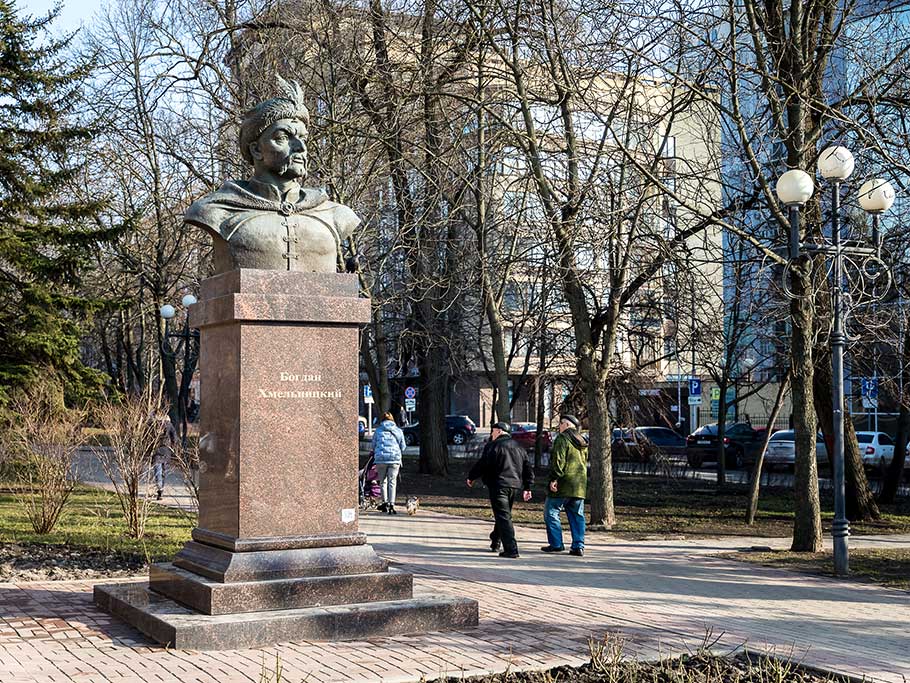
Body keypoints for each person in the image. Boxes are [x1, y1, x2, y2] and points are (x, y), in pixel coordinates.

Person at [184, 76, 360, 274]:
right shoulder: (216, 211)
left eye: (303, 138)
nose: (300, 147)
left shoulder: (335, 215)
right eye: (283, 137)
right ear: (256, 150)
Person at [466, 422, 533, 559]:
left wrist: (472, 477)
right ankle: (495, 541)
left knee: (503, 516)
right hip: (514, 486)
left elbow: (483, 463)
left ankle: (511, 549)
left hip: (499, 485)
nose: (491, 434)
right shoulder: (519, 446)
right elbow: (527, 468)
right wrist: (527, 486)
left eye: (493, 431)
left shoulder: (494, 446)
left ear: (499, 431)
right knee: (503, 514)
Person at [541, 414, 588, 557]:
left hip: (563, 483)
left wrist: (554, 478)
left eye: (560, 424)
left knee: (551, 512)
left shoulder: (563, 439)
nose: (559, 427)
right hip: (579, 485)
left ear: (566, 425)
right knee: (577, 515)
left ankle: (556, 544)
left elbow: (559, 460)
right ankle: (578, 546)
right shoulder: (582, 441)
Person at [372, 412, 406, 514]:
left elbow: (373, 445)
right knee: (392, 482)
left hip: (381, 459)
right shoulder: (398, 431)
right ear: (392, 419)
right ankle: (392, 504)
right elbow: (403, 446)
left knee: (383, 482)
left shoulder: (378, 431)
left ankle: (385, 503)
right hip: (395, 459)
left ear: (382, 420)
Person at [152, 413, 178, 501]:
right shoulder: (169, 424)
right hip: (166, 449)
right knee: (163, 470)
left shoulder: (153, 425)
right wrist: (173, 446)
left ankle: (160, 488)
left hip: (156, 449)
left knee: (157, 470)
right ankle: (161, 487)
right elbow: (174, 437)